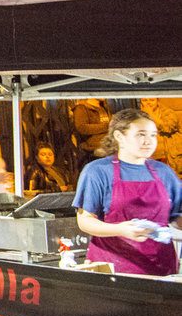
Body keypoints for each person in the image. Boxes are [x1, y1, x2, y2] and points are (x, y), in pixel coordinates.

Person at [75, 109, 182, 276]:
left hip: (161, 268)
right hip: (113, 268)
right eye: (141, 134)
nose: (149, 141)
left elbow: (176, 218)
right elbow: (85, 221)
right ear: (119, 136)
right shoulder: (97, 171)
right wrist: (121, 229)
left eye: (153, 135)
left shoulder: (164, 172)